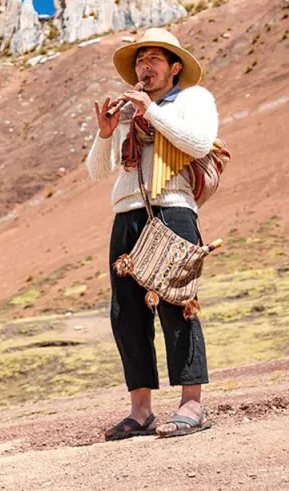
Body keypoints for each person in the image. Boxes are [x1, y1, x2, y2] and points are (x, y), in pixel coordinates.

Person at [86, 27, 218, 439]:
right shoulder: (128, 112)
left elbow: (199, 142)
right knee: (126, 313)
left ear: (174, 67)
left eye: (154, 59)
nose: (145, 67)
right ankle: (140, 411)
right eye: (140, 60)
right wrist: (106, 134)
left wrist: (152, 111)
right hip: (126, 214)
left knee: (178, 304)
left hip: (173, 209)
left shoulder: (194, 99)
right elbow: (97, 170)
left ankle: (191, 404)